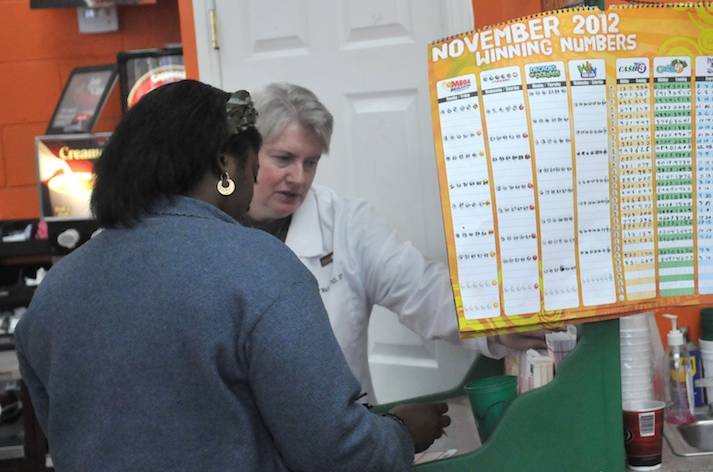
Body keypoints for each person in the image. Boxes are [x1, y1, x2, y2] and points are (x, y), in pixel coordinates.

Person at [15, 80, 448, 472]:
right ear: (225, 163)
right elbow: (336, 452)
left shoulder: (55, 292)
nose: (260, 175)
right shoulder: (259, 265)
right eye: (258, 161)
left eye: (310, 162)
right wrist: (401, 433)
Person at [247, 82, 547, 404]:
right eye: (283, 159)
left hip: (347, 435)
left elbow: (423, 289)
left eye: (311, 162)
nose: (299, 178)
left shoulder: (345, 223)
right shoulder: (206, 229)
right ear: (245, 154)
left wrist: (497, 322)